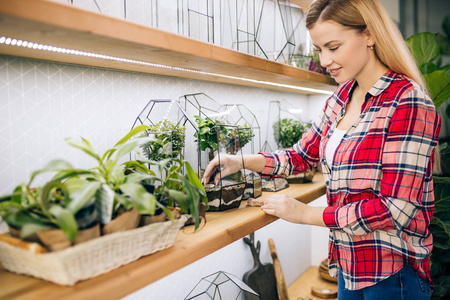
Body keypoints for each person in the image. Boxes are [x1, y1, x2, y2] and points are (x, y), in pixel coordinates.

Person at [202, 0, 442, 299]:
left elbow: (395, 211)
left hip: (392, 273)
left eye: (333, 46)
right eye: (319, 50)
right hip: (347, 266)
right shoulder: (340, 98)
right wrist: (240, 161)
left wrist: (306, 214)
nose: (325, 60)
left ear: (369, 35)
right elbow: (301, 157)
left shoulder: (407, 101)